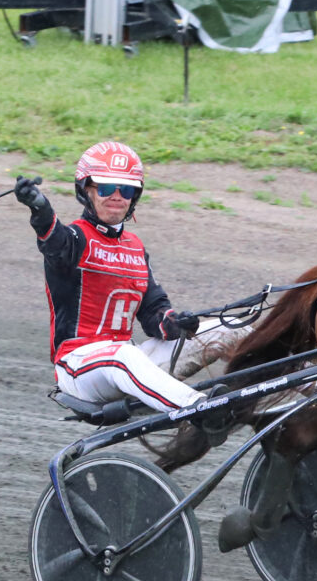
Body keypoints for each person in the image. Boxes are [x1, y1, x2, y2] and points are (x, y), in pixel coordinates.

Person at [14, 141, 225, 413]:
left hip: (126, 363)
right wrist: (40, 208)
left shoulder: (135, 247)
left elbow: (154, 315)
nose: (116, 196)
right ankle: (201, 409)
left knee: (227, 326)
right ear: (85, 191)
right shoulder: (75, 240)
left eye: (125, 189)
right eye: (105, 188)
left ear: (134, 196)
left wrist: (175, 323)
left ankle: (282, 391)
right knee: (122, 355)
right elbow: (54, 240)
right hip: (79, 368)